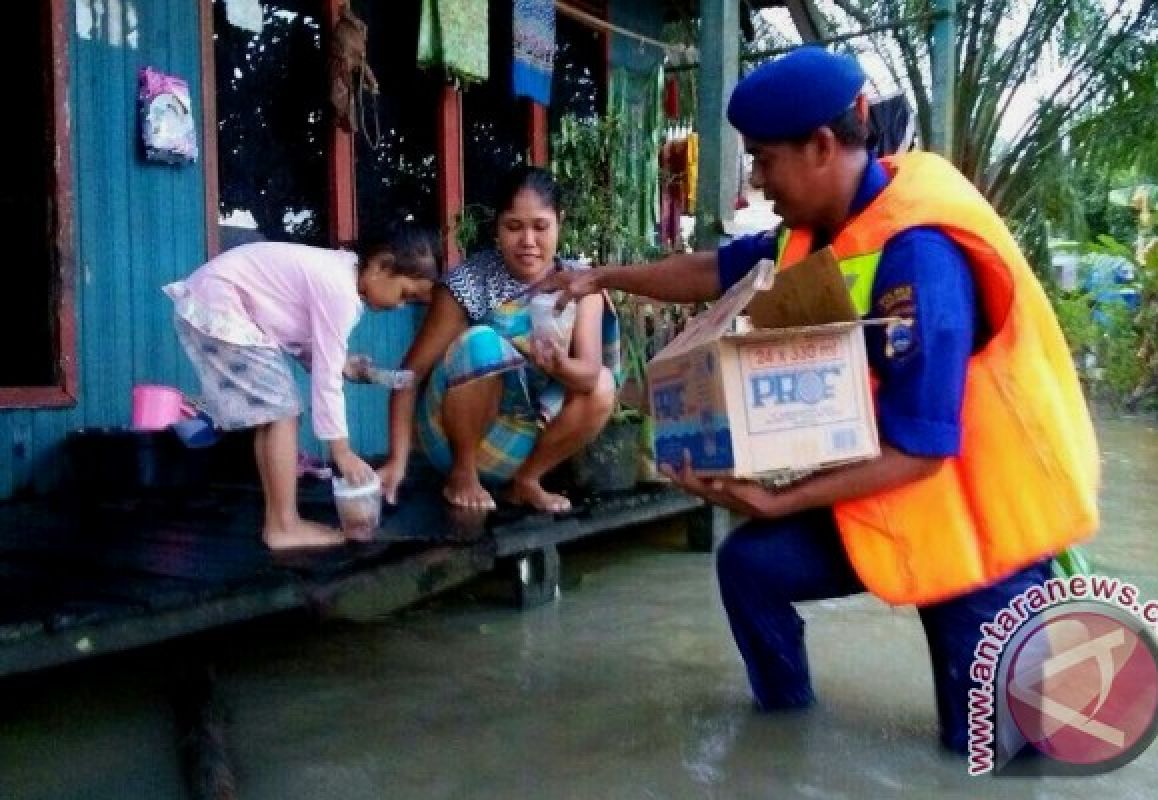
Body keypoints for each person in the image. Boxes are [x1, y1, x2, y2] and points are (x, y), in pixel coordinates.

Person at [533, 46, 1099, 753]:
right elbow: (714, 269)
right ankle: (781, 737)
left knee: (986, 754)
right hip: (892, 492)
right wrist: (602, 277)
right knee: (749, 567)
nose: (756, 180)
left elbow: (922, 450)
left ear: (823, 145)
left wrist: (776, 500)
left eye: (765, 160)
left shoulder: (919, 256)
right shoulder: (813, 231)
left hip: (979, 524)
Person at [164, 225, 440, 550]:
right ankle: (283, 525)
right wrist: (341, 451)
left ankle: (279, 521)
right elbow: (325, 379)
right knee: (283, 411)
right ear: (380, 265)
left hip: (216, 300)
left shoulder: (339, 275)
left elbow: (300, 338)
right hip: (222, 303)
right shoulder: (339, 289)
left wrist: (345, 365)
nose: (400, 306)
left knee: (276, 412)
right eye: (405, 294)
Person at [376, 166, 617, 513]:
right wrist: (397, 463)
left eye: (540, 226)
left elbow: (589, 376)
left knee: (604, 386)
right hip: (451, 437)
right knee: (482, 343)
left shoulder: (580, 285)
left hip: (525, 441)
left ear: (559, 221)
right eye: (514, 227)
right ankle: (463, 474)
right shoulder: (469, 284)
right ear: (497, 228)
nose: (528, 242)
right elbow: (409, 374)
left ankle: (528, 481)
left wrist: (558, 365)